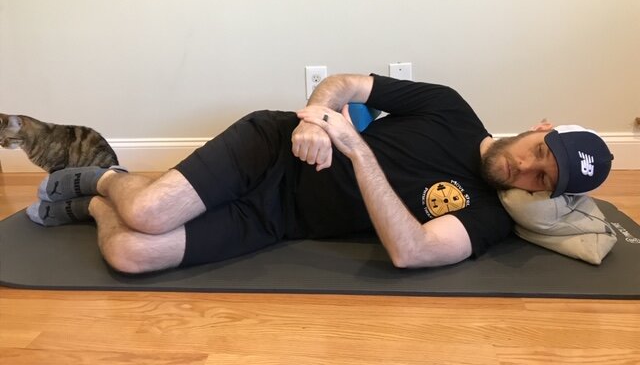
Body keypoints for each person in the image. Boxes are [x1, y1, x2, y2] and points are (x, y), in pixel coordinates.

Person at [26, 74, 614, 274]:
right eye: (540, 151)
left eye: (543, 180)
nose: (526, 168)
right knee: (149, 211)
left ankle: (95, 203)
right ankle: (104, 177)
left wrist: (356, 149)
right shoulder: (449, 107)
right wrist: (316, 116)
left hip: (280, 220)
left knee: (130, 253)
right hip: (270, 150)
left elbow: (411, 251)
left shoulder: (489, 218)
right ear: (540, 127)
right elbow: (345, 83)